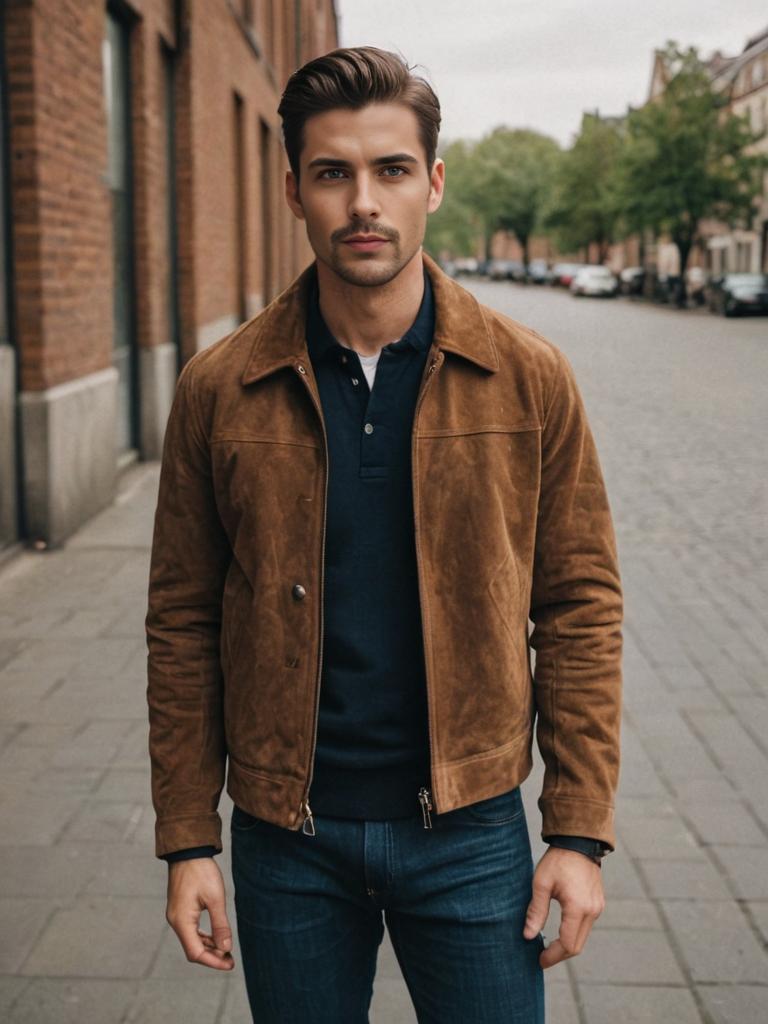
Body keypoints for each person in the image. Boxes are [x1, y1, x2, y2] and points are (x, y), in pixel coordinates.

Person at [145, 46, 622, 1024]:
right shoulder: (219, 389)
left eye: (392, 170)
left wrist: (576, 830)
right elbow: (182, 622)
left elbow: (579, 607)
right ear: (294, 190)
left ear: (434, 184)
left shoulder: (529, 379)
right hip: (289, 836)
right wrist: (189, 836)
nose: (364, 201)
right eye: (334, 173)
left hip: (472, 829)